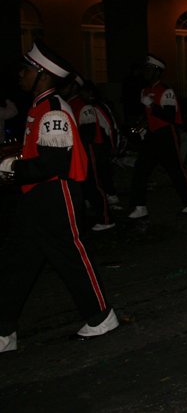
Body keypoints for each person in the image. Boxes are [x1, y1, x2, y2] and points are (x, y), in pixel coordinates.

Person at [0, 39, 118, 353]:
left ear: (43, 75)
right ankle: (4, 331)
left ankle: (101, 316)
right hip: (37, 195)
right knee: (17, 263)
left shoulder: (53, 109)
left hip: (56, 192)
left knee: (70, 256)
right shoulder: (41, 105)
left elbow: (53, 161)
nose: (20, 75)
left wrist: (14, 167)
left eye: (26, 70)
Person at [128, 54, 187, 218]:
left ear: (157, 72)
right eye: (145, 69)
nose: (145, 72)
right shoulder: (145, 90)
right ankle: (140, 206)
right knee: (141, 170)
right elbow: (148, 115)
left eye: (149, 69)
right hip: (152, 135)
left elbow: (169, 116)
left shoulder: (166, 91)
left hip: (166, 134)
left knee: (175, 170)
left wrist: (152, 105)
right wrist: (143, 128)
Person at [59, 74, 115, 231]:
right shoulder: (68, 105)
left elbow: (88, 133)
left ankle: (105, 219)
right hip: (76, 151)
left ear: (74, 87)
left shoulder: (83, 106)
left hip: (86, 151)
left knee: (92, 184)